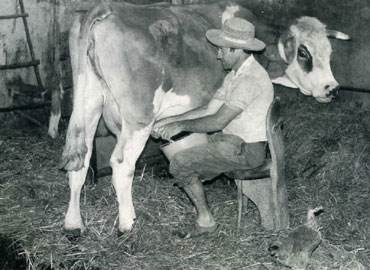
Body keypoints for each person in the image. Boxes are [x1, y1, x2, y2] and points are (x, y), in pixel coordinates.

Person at [152, 17, 274, 237]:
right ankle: (201, 179)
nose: (218, 55)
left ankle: (206, 221)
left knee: (180, 163)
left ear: (237, 50)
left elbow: (217, 121)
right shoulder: (235, 76)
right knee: (186, 150)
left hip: (247, 150)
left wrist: (179, 125)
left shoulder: (250, 80)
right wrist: (169, 121)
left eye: (222, 50)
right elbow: (209, 109)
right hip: (232, 141)